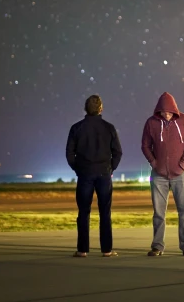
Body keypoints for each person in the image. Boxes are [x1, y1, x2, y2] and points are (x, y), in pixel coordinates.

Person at [141, 92, 184, 256]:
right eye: (163, 112)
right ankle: (157, 246)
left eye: (169, 111)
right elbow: (145, 145)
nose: (166, 114)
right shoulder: (151, 123)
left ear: (174, 109)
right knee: (158, 212)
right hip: (158, 175)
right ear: (158, 110)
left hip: (181, 174)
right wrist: (153, 162)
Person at [66, 95, 123, 257]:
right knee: (105, 212)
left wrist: (78, 169)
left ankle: (82, 249)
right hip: (104, 174)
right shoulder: (109, 128)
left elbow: (69, 153)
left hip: (85, 174)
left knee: (83, 212)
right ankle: (107, 249)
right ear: (101, 108)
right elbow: (117, 152)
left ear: (85, 108)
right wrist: (111, 169)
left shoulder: (76, 128)